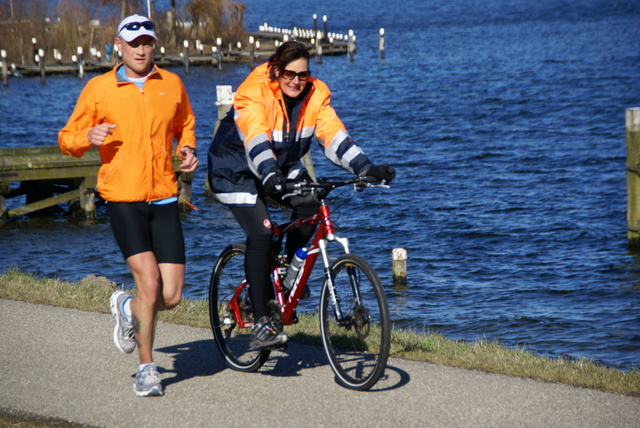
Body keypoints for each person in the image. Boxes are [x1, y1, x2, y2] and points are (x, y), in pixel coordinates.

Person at [207, 41, 395, 349]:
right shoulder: (254, 90)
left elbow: (333, 134)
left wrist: (365, 167)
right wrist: (269, 175)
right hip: (235, 168)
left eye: (303, 75)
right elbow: (255, 136)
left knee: (311, 205)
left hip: (281, 162)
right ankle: (263, 323)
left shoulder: (316, 94)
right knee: (262, 230)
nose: (296, 81)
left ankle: (283, 269)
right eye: (289, 74)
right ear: (276, 71)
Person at [58, 14, 198, 397]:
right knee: (150, 285)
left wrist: (187, 149)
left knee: (170, 296)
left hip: (166, 197)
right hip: (123, 199)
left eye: (147, 42)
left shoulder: (171, 84)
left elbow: (185, 123)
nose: (141, 48)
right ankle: (146, 367)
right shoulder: (100, 88)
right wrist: (88, 134)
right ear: (118, 45)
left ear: (154, 45)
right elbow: (67, 139)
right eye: (133, 42)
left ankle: (125, 307)